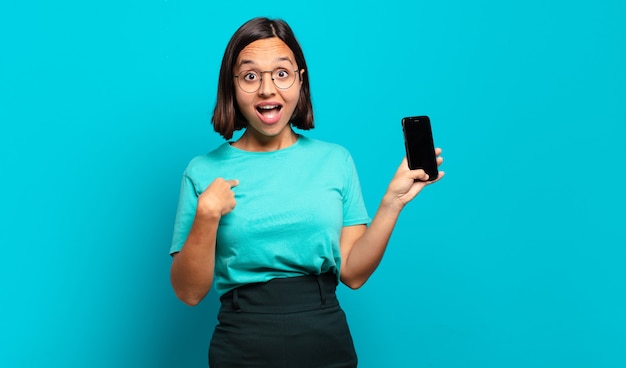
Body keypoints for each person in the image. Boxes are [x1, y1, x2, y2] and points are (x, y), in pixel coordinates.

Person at [169, 17, 444, 368]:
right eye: (251, 76)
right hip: (241, 341)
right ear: (232, 85)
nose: (268, 89)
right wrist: (206, 216)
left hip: (324, 336)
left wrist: (393, 203)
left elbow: (353, 274)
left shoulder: (335, 160)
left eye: (281, 74)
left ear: (300, 79)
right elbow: (189, 293)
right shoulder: (202, 171)